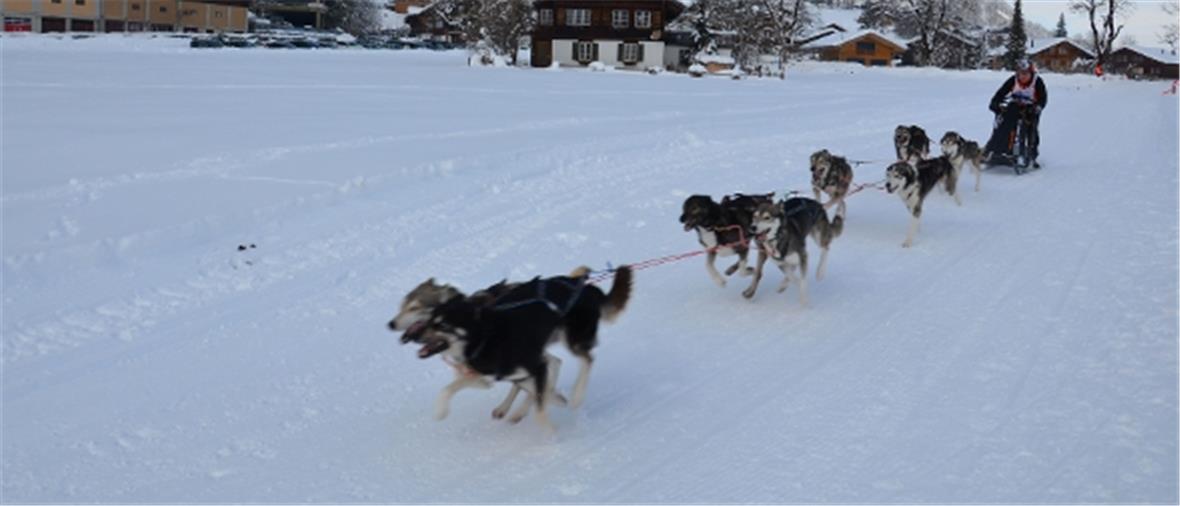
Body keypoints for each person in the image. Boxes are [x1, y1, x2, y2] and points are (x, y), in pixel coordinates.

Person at [984, 58, 1048, 168]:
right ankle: (995, 150)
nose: (1022, 76)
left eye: (1025, 74)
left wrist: (1038, 107)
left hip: (1031, 109)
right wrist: (994, 103)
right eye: (1020, 73)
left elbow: (1043, 99)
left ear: (1031, 73)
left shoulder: (1037, 82)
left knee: (1031, 129)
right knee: (1002, 124)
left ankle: (1031, 155)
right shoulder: (1013, 80)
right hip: (1015, 107)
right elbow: (1001, 93)